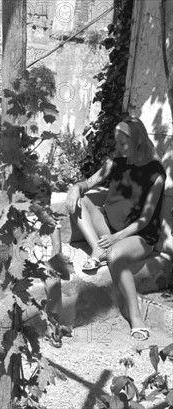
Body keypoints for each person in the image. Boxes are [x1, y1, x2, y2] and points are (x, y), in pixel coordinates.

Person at [65, 117, 166, 341]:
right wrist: (75, 187)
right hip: (109, 225)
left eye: (123, 143)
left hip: (139, 235)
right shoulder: (115, 162)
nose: (118, 148)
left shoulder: (155, 172)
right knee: (81, 201)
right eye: (117, 142)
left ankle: (135, 315)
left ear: (139, 140)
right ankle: (96, 249)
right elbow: (88, 183)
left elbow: (145, 219)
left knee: (115, 255)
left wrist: (115, 238)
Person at [24, 178, 73, 348]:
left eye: (46, 201)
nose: (44, 206)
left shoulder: (51, 220)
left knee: (54, 282)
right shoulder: (23, 219)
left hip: (44, 260)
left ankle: (52, 325)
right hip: (25, 260)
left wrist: (52, 264)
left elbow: (57, 245)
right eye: (39, 202)